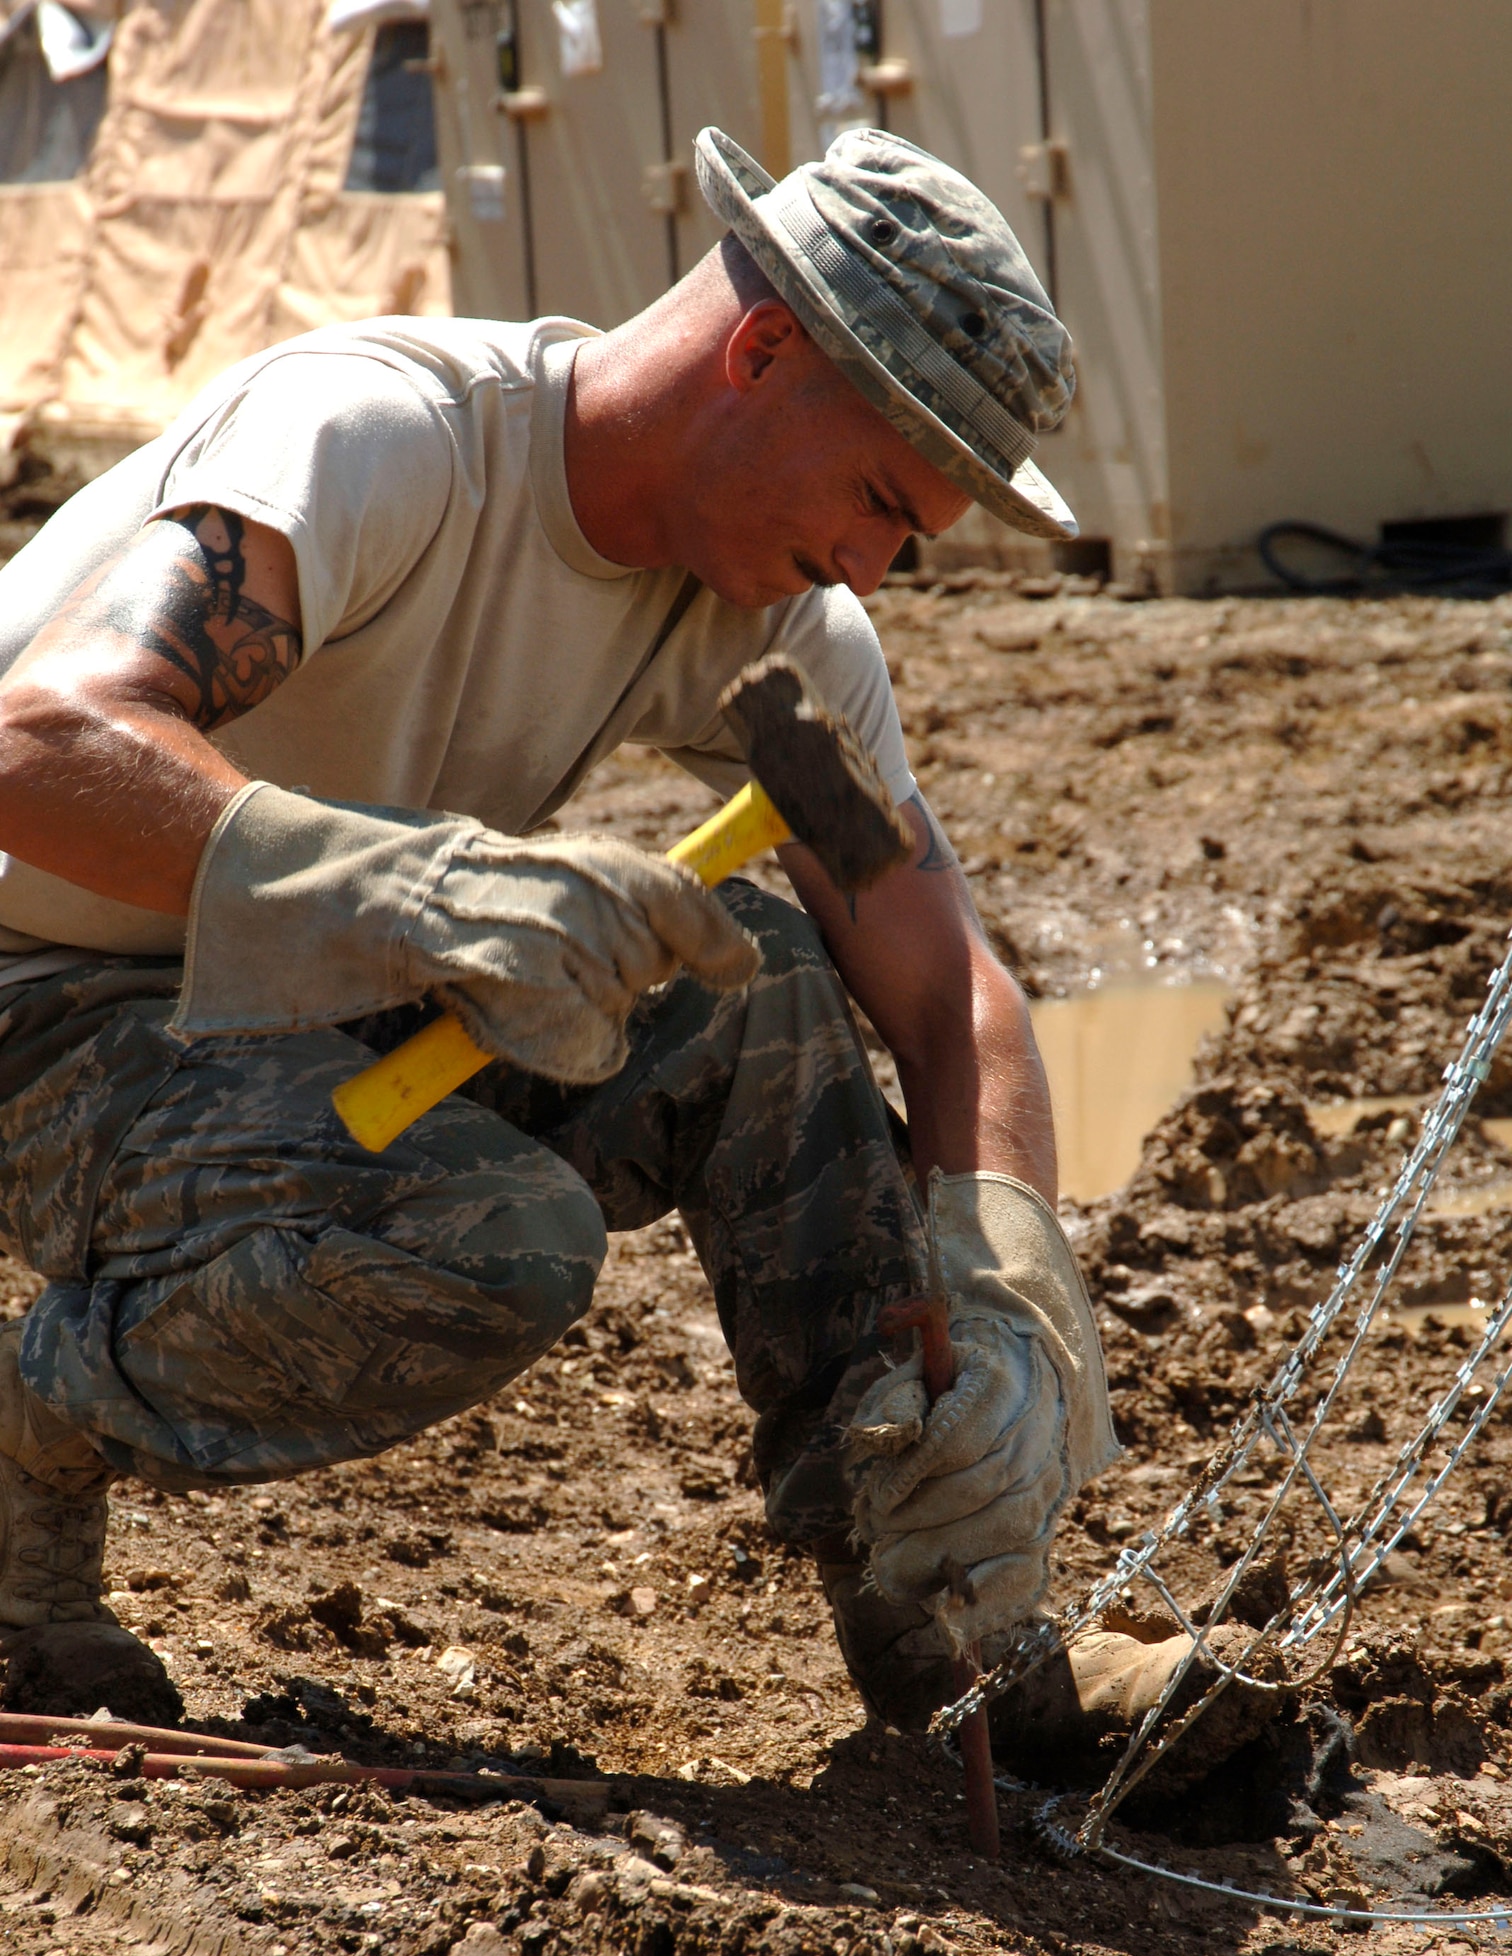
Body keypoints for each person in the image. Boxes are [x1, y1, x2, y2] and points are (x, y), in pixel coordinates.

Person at [0, 125, 1271, 1766]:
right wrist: (423, 891)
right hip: (39, 985)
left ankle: (954, 1629)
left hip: (300, 995)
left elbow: (945, 985)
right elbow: (39, 742)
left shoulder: (782, 627)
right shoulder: (390, 439)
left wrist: (1006, 1281)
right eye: (882, 499)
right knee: (490, 1238)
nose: (877, 566)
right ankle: (19, 1462)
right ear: (759, 349)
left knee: (760, 983)